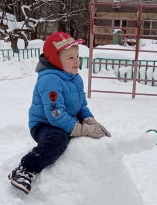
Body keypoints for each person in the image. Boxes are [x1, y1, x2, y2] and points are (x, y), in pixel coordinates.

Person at [8, 31, 111, 194]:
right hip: (44, 125)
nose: (77, 61)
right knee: (58, 139)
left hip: (65, 121)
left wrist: (90, 121)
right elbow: (55, 116)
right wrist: (82, 130)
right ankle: (25, 169)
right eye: (70, 58)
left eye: (77, 56)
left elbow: (81, 106)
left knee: (78, 135)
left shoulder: (75, 78)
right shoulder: (50, 80)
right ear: (56, 60)